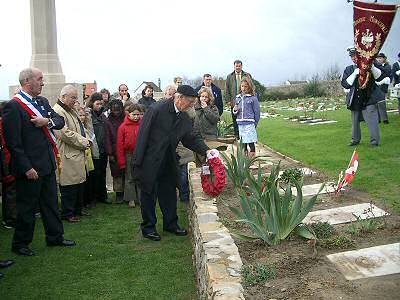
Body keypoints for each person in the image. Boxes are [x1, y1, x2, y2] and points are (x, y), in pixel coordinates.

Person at [2, 67, 75, 256]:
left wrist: (47, 122)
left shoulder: (42, 102)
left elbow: (59, 121)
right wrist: (26, 167)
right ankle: (20, 244)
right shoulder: (14, 106)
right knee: (27, 207)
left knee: (51, 203)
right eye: (40, 79)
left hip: (47, 163)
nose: (43, 82)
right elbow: (13, 143)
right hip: (31, 168)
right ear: (27, 81)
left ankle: (55, 237)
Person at [133, 85, 217, 241]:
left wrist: (206, 151)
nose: (192, 105)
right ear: (179, 98)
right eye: (190, 102)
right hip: (150, 160)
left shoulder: (184, 117)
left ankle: (171, 224)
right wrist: (138, 162)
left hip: (169, 159)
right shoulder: (156, 110)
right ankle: (148, 227)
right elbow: (142, 136)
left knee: (169, 193)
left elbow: (190, 138)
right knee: (148, 194)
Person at [53, 85, 92, 222]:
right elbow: (63, 133)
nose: (75, 101)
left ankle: (77, 210)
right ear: (63, 97)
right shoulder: (57, 111)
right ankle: (68, 214)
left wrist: (86, 138)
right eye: (73, 98)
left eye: (76, 98)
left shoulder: (69, 109)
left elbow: (81, 127)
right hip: (67, 153)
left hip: (76, 153)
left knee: (78, 184)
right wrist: (84, 141)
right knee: (69, 185)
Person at [341, 47, 384, 147]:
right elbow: (345, 84)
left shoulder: (371, 64)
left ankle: (374, 141)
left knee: (372, 121)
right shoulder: (349, 69)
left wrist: (371, 67)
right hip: (355, 99)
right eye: (352, 56)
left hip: (369, 97)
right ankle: (355, 139)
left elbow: (379, 76)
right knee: (355, 122)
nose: (353, 58)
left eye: (355, 55)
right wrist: (355, 73)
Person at [117, 103, 144, 207]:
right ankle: (131, 198)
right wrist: (122, 161)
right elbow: (119, 145)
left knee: (141, 176)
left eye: (138, 114)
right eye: (134, 114)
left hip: (141, 154)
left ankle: (142, 198)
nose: (136, 117)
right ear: (129, 114)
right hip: (129, 154)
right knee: (130, 177)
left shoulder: (142, 125)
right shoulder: (123, 127)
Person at [86, 92, 110, 204]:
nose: (99, 106)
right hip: (93, 149)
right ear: (92, 103)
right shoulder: (88, 116)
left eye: (101, 103)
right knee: (93, 175)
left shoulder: (103, 116)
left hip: (103, 149)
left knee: (102, 173)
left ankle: (102, 196)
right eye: (97, 103)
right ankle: (92, 197)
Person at [232, 77, 260, 157]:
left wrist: (255, 123)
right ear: (240, 87)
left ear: (249, 87)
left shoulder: (253, 98)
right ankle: (244, 160)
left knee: (251, 142)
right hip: (240, 124)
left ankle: (251, 160)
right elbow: (235, 112)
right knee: (243, 143)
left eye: (246, 86)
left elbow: (257, 113)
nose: (244, 88)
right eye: (242, 86)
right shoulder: (238, 98)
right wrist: (235, 110)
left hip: (249, 123)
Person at [225, 60, 252, 139]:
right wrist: (229, 101)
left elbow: (251, 86)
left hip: (245, 100)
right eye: (236, 66)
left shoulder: (247, 75)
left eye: (239, 66)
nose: (238, 67)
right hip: (234, 101)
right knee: (235, 119)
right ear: (234, 66)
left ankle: (245, 134)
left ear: (241, 66)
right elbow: (227, 89)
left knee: (245, 117)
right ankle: (237, 135)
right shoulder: (229, 76)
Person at [105, 99, 125, 203]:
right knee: (116, 174)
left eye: (118, 110)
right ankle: (119, 194)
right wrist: (110, 153)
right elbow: (107, 138)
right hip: (114, 150)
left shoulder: (125, 119)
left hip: (125, 149)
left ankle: (127, 193)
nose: (116, 112)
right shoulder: (108, 121)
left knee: (126, 172)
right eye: (114, 110)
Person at [0, 102, 17, 229]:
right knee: (10, 190)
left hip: (8, 160)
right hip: (7, 161)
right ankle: (10, 219)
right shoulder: (3, 124)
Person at [375, 53, 392, 124]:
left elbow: (386, 72)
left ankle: (385, 119)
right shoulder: (376, 66)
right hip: (376, 86)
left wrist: (377, 65)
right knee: (375, 103)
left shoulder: (387, 66)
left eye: (380, 58)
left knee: (381, 102)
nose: (379, 59)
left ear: (384, 59)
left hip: (383, 86)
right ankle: (378, 119)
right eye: (378, 58)